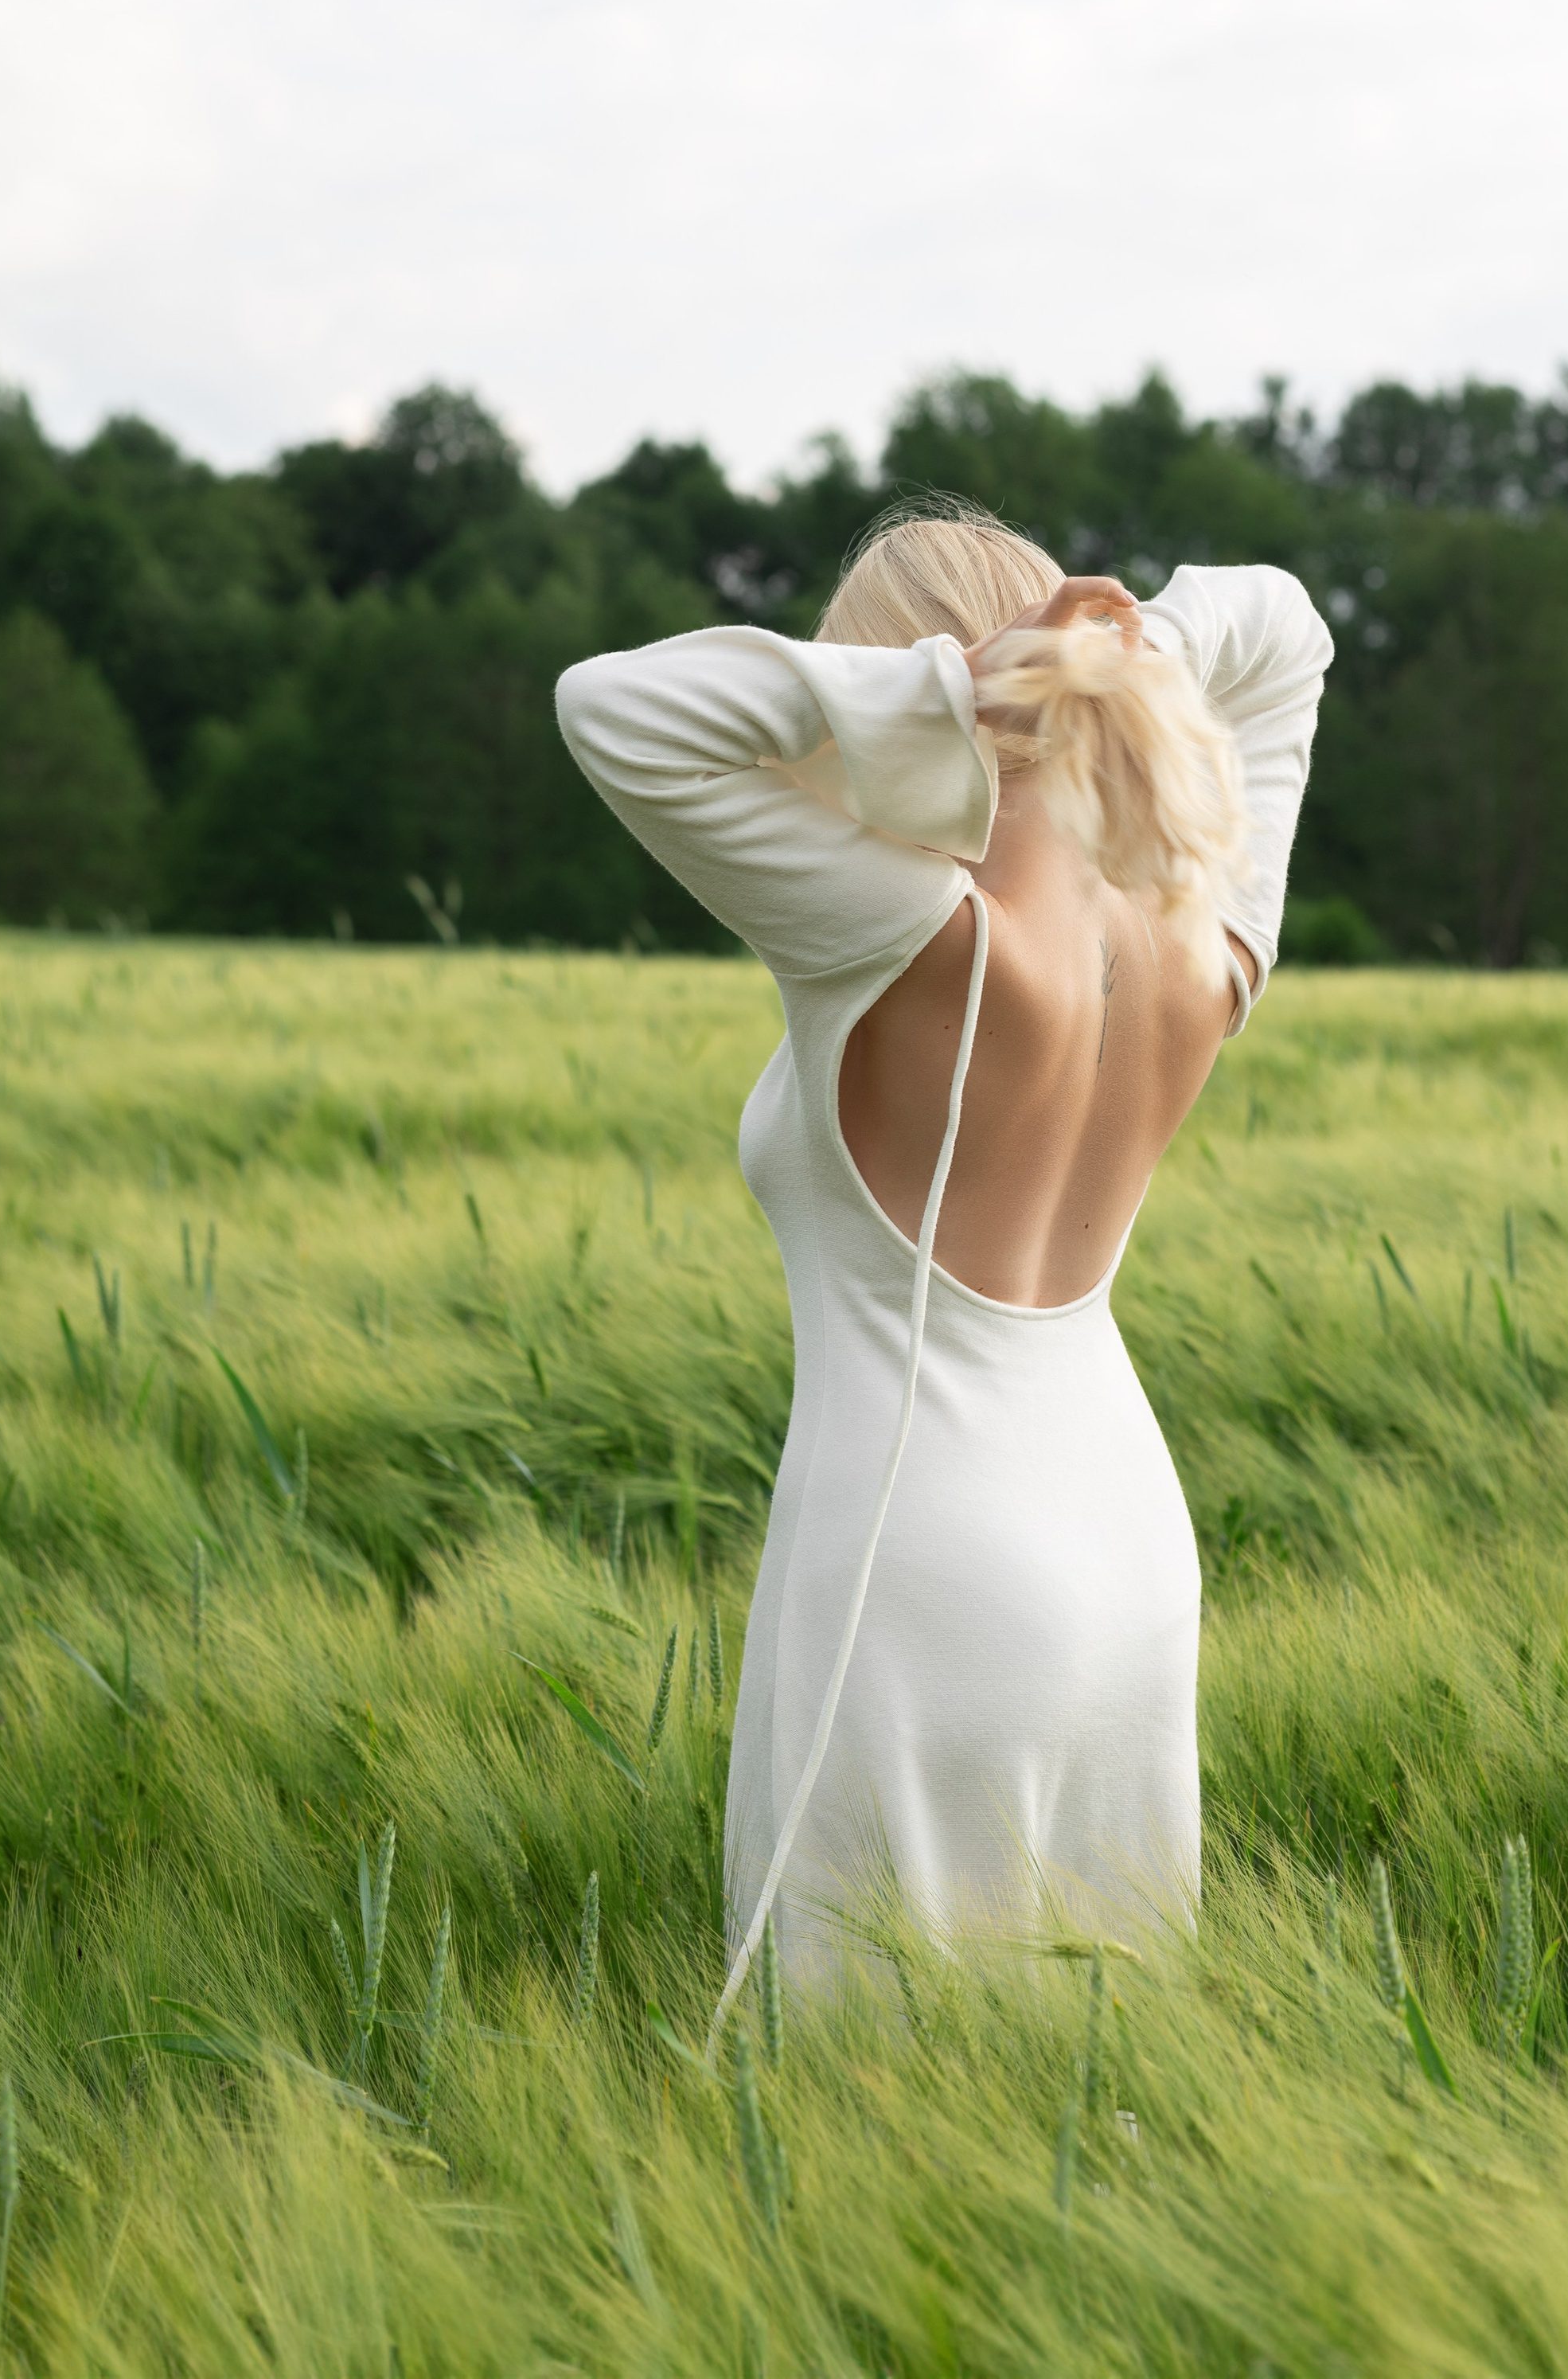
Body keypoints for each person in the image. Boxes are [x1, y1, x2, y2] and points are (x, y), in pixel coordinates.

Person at [555, 506, 1330, 2024]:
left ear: (908, 681)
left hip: (918, 1566)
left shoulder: (903, 927)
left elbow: (608, 709)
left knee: (858, 2087)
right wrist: (1134, 651)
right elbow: (1289, 631)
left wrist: (941, 699)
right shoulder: (1202, 926)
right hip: (1131, 1549)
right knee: (1101, 2072)